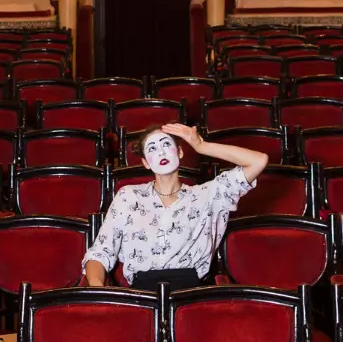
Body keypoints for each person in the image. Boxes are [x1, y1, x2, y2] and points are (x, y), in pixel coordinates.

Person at [82, 122, 269, 291]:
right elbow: (99, 253)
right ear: (146, 163)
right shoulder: (128, 196)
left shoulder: (208, 195)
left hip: (189, 296)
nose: (161, 152)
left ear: (179, 152)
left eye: (166, 144)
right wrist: (98, 290)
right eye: (152, 148)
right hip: (141, 295)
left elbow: (258, 161)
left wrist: (201, 146)